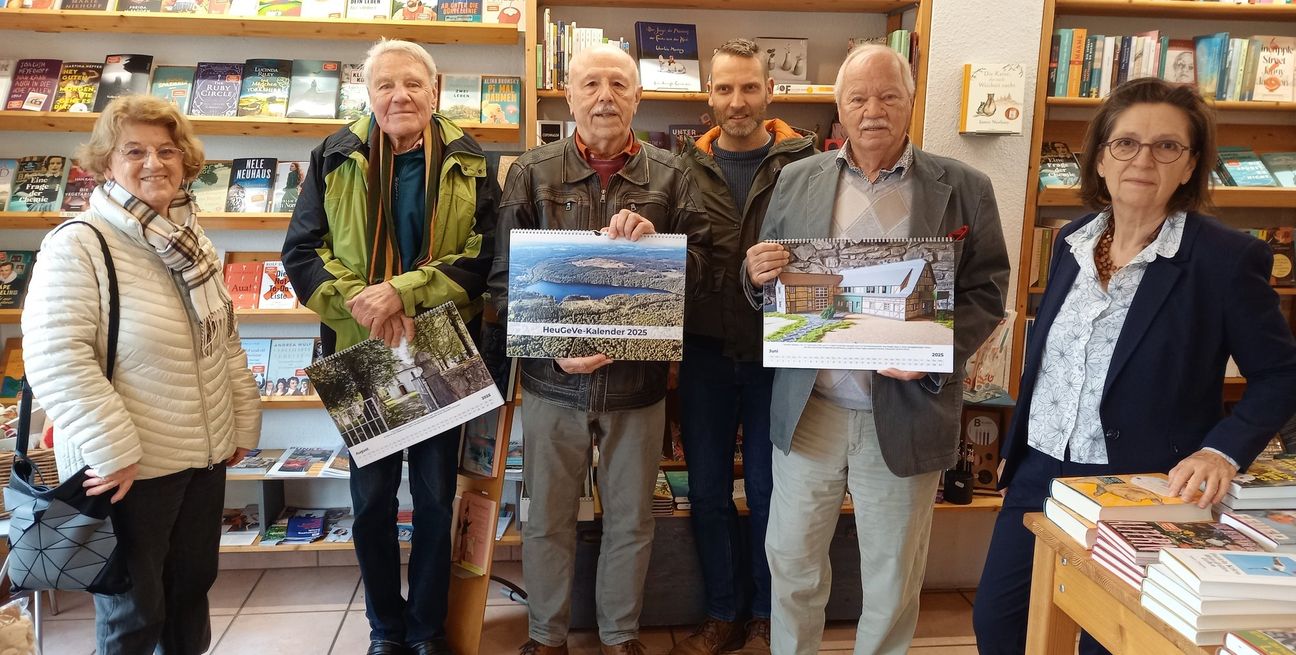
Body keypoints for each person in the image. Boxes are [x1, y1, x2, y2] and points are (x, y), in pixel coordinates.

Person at [972, 77, 1296, 655]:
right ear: (1100, 158)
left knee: (1107, 639)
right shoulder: (1072, 242)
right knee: (1000, 627)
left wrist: (1221, 450)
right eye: (1126, 143)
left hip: (1140, 486)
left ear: (1190, 164)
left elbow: (1281, 373)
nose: (1143, 158)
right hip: (1038, 474)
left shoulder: (1225, 258)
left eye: (1167, 146)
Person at [743, 44, 1009, 655]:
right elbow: (768, 281)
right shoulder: (796, 178)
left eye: (888, 96)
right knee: (792, 563)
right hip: (812, 410)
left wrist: (937, 348)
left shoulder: (963, 186)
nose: (872, 111)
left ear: (911, 103)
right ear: (838, 109)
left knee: (892, 575)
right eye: (858, 98)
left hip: (905, 407)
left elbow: (987, 289)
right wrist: (754, 272)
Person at [21, 94, 262, 655]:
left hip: (200, 457)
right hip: (131, 465)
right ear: (106, 162)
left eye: (166, 151)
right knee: (134, 608)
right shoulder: (79, 244)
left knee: (188, 594)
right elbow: (57, 356)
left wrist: (239, 425)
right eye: (135, 151)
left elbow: (221, 339)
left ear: (185, 162)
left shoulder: (190, 242)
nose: (154, 163)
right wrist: (112, 449)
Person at [281, 38, 499, 655]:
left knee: (433, 500)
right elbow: (301, 255)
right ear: (368, 94)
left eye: (413, 84)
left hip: (440, 344)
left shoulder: (471, 159)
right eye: (385, 85)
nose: (400, 95)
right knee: (372, 501)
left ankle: (427, 630)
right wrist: (365, 303)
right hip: (361, 350)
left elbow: (481, 259)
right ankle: (386, 628)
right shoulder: (334, 154)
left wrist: (401, 293)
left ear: (435, 90)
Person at [487, 43, 707, 655]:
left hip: (637, 386)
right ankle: (545, 636)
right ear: (569, 95)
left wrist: (661, 245)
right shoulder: (531, 171)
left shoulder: (674, 175)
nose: (604, 96)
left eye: (618, 83)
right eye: (591, 84)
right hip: (551, 382)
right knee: (548, 518)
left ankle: (620, 637)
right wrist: (555, 349)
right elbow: (504, 279)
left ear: (638, 96)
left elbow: (705, 272)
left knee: (633, 522)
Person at [671, 38, 815, 655]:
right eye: (725, 89)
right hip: (703, 353)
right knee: (705, 489)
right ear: (709, 96)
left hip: (778, 357)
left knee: (767, 491)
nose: (737, 101)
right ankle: (721, 611)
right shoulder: (679, 169)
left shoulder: (806, 164)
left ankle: (763, 613)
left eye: (749, 88)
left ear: (770, 92)